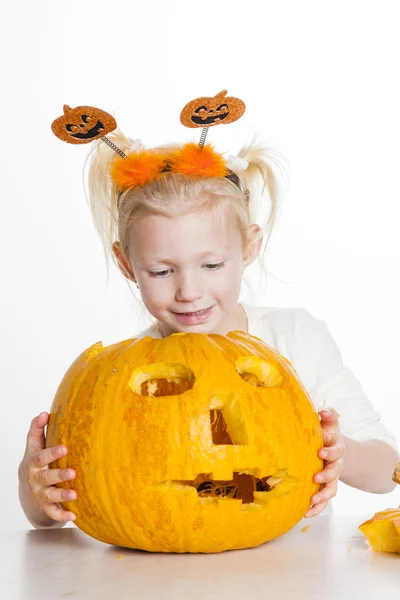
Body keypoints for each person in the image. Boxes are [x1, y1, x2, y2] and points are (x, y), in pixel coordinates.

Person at [18, 122, 400, 530]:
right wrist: (36, 486)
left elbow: (388, 473)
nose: (189, 291)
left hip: (293, 576)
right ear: (127, 265)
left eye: (212, 265)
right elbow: (57, 516)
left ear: (249, 247)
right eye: (162, 271)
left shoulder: (296, 338)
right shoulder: (120, 380)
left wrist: (340, 455)